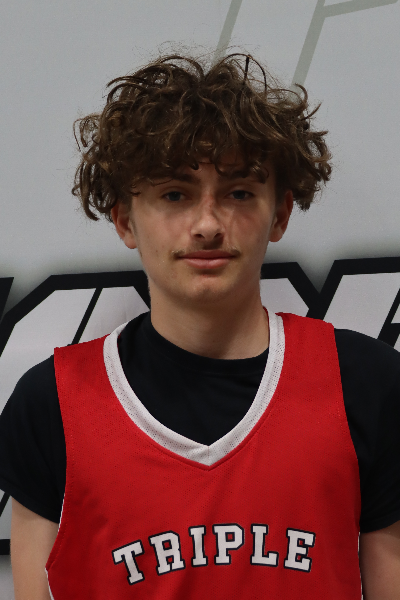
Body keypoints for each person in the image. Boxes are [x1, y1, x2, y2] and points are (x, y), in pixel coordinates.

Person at [0, 53, 399, 600]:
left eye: (238, 193)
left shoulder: (368, 384)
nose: (208, 224)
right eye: (175, 194)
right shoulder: (50, 404)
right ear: (125, 220)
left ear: (280, 213)